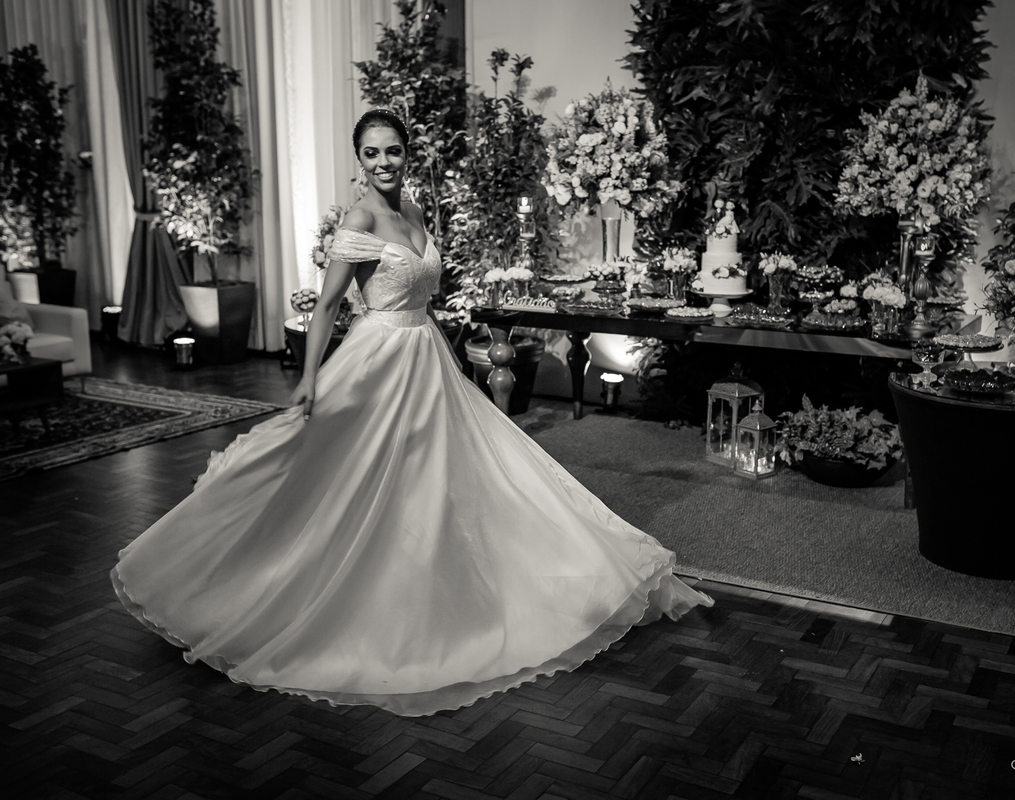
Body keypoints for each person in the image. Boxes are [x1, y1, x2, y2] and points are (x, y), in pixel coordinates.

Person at [110, 108, 712, 717]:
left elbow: (422, 294)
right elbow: (326, 309)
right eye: (371, 154)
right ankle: (240, 580)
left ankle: (445, 586)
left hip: (426, 356)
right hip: (375, 361)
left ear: (407, 151)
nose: (384, 162)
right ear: (359, 160)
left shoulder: (416, 210)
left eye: (393, 150)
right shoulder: (362, 217)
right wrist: (310, 379)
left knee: (443, 482)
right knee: (333, 477)